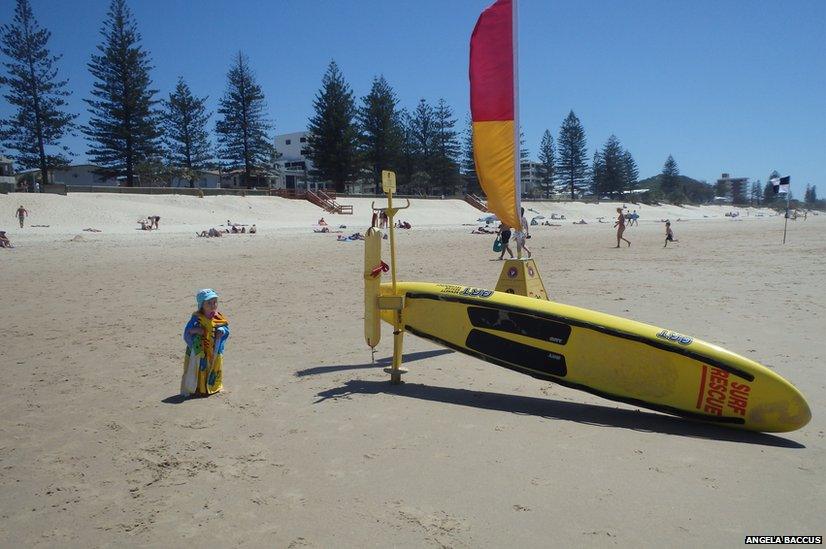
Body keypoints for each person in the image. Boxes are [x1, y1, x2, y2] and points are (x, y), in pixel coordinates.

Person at [181, 289, 230, 397]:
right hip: (201, 350)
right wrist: (196, 331)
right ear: (201, 305)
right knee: (200, 368)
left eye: (215, 302)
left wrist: (222, 331)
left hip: (214, 349)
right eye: (209, 303)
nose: (213, 305)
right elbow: (187, 332)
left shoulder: (218, 317)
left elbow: (225, 328)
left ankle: (215, 386)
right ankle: (200, 388)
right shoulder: (196, 318)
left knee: (215, 367)